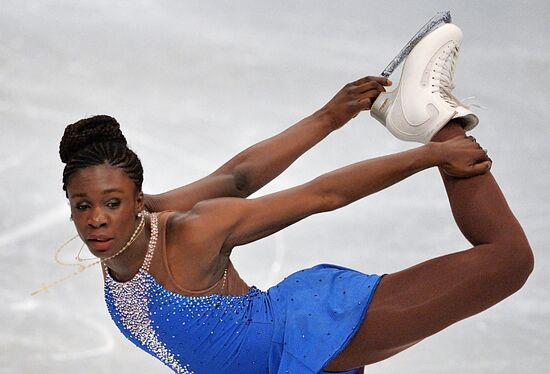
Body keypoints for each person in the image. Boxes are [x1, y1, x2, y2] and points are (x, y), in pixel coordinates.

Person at [56, 24, 533, 373]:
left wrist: (431, 154)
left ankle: (432, 113)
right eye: (83, 206)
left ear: (137, 199)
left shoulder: (193, 232)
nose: (97, 219)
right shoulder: (126, 230)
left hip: (309, 337)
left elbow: (320, 195)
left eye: (112, 203)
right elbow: (239, 177)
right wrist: (327, 117)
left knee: (508, 261)